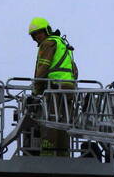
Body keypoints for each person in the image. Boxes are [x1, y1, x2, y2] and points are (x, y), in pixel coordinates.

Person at [28, 17, 79, 156]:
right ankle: (63, 155)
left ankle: (48, 154)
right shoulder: (62, 44)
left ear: (46, 31)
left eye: (39, 33)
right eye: (35, 35)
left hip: (55, 89)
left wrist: (36, 90)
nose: (37, 37)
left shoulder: (48, 43)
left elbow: (43, 67)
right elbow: (74, 70)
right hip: (69, 89)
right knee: (64, 122)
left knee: (50, 122)